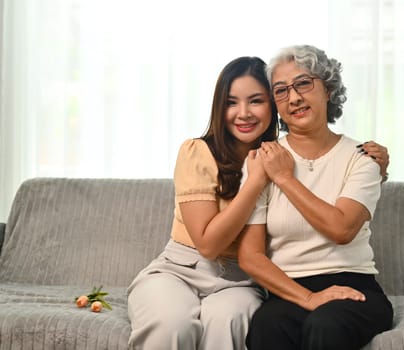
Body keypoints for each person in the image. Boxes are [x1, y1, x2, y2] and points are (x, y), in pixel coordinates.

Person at [127, 55, 390, 350]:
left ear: (271, 106)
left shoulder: (276, 155)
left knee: (230, 321)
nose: (244, 113)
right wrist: (255, 181)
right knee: (172, 326)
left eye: (256, 101)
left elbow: (329, 169)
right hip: (183, 267)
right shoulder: (204, 152)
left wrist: (377, 166)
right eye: (231, 102)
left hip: (241, 281)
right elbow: (209, 245)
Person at [238, 45, 394, 350]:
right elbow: (250, 256)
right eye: (281, 91)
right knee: (267, 326)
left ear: (329, 89)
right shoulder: (262, 160)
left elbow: (342, 229)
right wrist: (308, 297)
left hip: (355, 287)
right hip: (289, 290)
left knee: (326, 326)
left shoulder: (363, 158)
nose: (294, 97)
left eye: (304, 83)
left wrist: (284, 177)